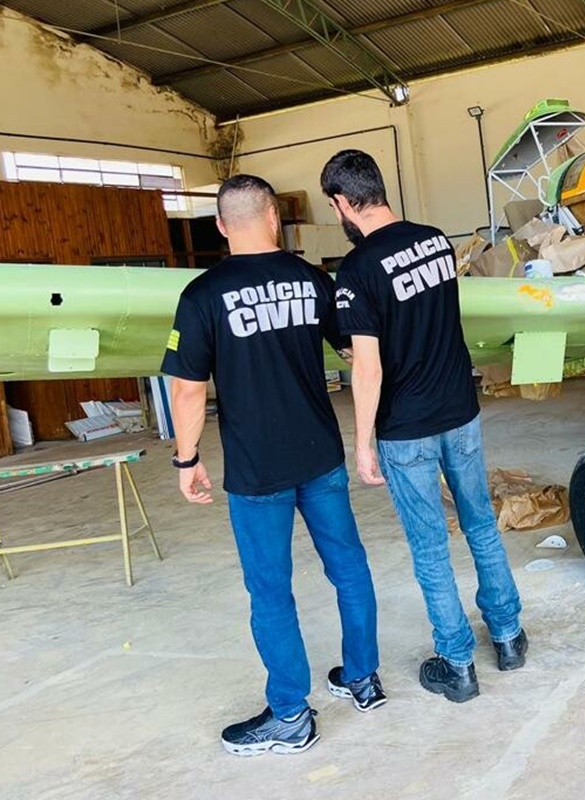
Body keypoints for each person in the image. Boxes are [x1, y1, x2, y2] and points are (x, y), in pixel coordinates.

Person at [162, 174, 384, 756]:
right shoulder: (313, 280)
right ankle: (362, 678)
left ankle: (290, 714)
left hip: (257, 470)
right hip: (320, 454)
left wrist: (187, 459)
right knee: (349, 568)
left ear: (219, 226)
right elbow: (355, 346)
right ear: (272, 219)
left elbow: (186, 391)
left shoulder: (202, 295)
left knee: (270, 592)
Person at [320, 149, 526, 703]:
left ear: (342, 203)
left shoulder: (358, 270)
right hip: (460, 409)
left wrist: (361, 444)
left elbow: (368, 365)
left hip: (406, 426)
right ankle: (508, 636)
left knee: (431, 546)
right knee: (481, 523)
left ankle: (457, 663)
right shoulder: (436, 240)